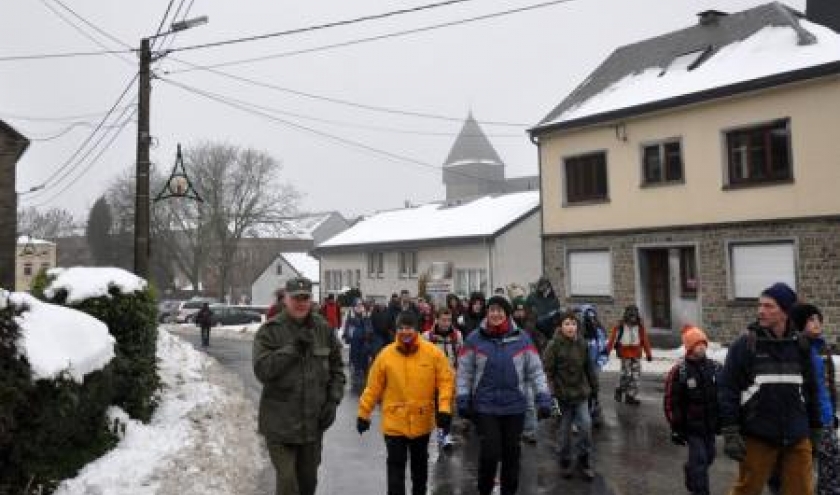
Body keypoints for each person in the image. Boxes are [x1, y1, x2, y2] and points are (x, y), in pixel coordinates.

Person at [718, 282, 821, 495]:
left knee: (803, 491)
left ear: (785, 312)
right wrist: (730, 430)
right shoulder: (745, 345)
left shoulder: (801, 346)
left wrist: (816, 428)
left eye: (768, 306)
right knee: (747, 490)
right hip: (758, 434)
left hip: (796, 435)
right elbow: (727, 389)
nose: (760, 311)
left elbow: (811, 390)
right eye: (760, 305)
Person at [252, 277, 346, 495]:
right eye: (296, 298)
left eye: (305, 298)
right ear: (286, 299)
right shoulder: (270, 331)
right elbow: (262, 370)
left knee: (307, 484)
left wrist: (333, 399)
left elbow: (337, 369)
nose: (301, 303)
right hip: (279, 425)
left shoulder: (323, 329)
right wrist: (292, 349)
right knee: (287, 484)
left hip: (312, 426)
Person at [457, 295, 552, 495]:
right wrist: (463, 398)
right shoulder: (474, 339)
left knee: (511, 454)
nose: (495, 314)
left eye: (500, 310)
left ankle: (509, 491)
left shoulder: (523, 338)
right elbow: (464, 372)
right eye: (492, 310)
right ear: (487, 312)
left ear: (507, 314)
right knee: (490, 453)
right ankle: (485, 489)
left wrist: (543, 397)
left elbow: (535, 371)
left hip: (514, 406)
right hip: (485, 406)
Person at [357, 311, 454, 495]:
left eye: (409, 327)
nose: (405, 332)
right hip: (394, 423)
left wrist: (444, 409)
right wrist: (363, 413)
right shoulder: (385, 355)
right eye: (401, 328)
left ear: (416, 329)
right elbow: (372, 387)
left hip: (422, 422)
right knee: (395, 471)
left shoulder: (433, 353)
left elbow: (445, 382)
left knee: (420, 471)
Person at [663, 325, 722, 495]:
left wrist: (723, 419)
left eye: (704, 343)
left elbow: (722, 393)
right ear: (689, 348)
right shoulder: (680, 371)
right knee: (701, 461)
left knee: (709, 456)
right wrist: (675, 427)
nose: (702, 347)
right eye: (697, 344)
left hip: (710, 425)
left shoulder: (715, 367)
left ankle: (690, 470)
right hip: (692, 427)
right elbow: (671, 401)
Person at [789, 303, 840, 494]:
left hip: (826, 418)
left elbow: (828, 387)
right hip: (806, 421)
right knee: (802, 472)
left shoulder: (823, 350)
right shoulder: (796, 350)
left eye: (819, 319)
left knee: (832, 469)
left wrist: (833, 413)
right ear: (800, 323)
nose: (817, 323)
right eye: (811, 319)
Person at [542, 310, 599, 480]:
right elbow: (548, 372)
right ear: (561, 326)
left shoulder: (582, 344)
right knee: (564, 432)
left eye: (573, 324)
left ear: (577, 326)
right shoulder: (553, 346)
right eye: (567, 324)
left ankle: (584, 459)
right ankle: (565, 461)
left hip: (580, 395)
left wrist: (595, 389)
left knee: (586, 428)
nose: (570, 327)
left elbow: (589, 368)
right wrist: (551, 395)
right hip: (561, 397)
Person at [422, 307, 462, 450]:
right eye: (443, 320)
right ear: (437, 320)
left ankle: (445, 435)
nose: (446, 323)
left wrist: (458, 375)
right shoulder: (427, 336)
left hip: (449, 378)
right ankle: (429, 435)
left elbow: (460, 355)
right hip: (431, 378)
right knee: (431, 408)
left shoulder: (457, 335)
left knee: (446, 409)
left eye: (449, 320)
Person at [512, 297, 545, 444]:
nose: (519, 313)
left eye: (521, 310)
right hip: (513, 369)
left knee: (530, 402)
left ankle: (529, 431)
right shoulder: (509, 328)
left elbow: (539, 343)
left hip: (528, 370)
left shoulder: (530, 327)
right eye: (516, 310)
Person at [607, 304, 653, 405]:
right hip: (624, 353)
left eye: (634, 316)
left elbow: (645, 340)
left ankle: (630, 396)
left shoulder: (640, 327)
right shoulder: (620, 326)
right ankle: (619, 389)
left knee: (635, 376)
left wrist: (648, 353)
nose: (633, 319)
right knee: (626, 374)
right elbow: (612, 339)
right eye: (631, 316)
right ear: (627, 316)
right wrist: (607, 351)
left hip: (636, 353)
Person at [578, 304, 609, 427]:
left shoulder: (599, 333)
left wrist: (599, 364)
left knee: (594, 392)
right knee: (581, 393)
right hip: (580, 369)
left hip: (594, 368)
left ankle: (595, 415)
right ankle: (580, 417)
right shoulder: (577, 333)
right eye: (588, 317)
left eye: (593, 317)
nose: (591, 320)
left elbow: (604, 351)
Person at [343, 298, 373, 382]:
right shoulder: (351, 314)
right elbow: (347, 325)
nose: (359, 306)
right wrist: (346, 335)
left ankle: (364, 369)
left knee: (364, 353)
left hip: (364, 337)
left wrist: (369, 334)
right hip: (354, 338)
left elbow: (369, 325)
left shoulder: (365, 314)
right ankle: (357, 370)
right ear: (354, 306)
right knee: (355, 353)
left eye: (360, 305)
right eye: (357, 305)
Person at [525, 276, 560, 341]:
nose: (544, 288)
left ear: (549, 287)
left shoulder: (554, 299)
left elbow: (557, 315)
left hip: (550, 330)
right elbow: (527, 313)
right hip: (535, 330)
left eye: (546, 286)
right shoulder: (532, 297)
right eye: (541, 286)